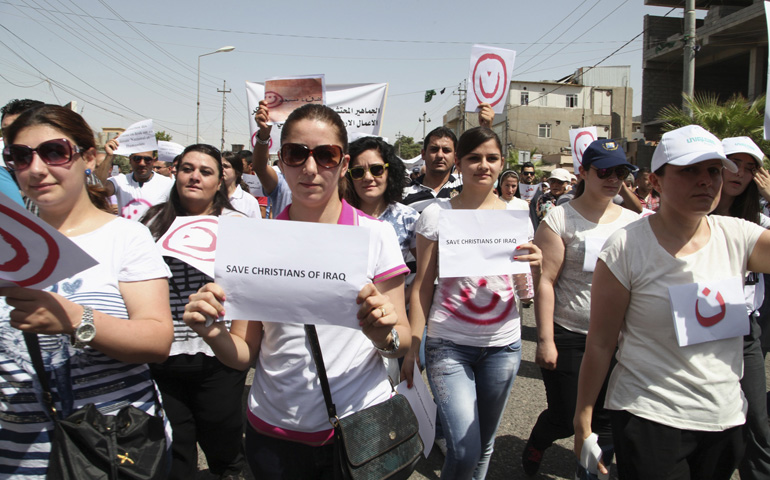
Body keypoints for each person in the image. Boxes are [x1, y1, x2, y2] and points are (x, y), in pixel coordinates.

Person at [183, 104, 411, 478]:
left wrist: (381, 334)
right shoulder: (256, 240)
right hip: (274, 435)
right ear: (281, 159)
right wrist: (209, 331)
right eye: (296, 154)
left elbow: (403, 338)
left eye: (325, 155)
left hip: (358, 427)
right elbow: (244, 353)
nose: (310, 168)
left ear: (343, 162)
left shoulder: (375, 235)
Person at [574, 125, 770, 480]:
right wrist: (583, 417)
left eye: (713, 170)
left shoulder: (738, 235)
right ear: (656, 181)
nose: (705, 181)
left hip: (725, 419)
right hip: (650, 416)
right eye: (689, 170)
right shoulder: (626, 247)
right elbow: (601, 343)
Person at [0, 104, 173, 478]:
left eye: (54, 152)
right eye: (19, 156)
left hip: (109, 451)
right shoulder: (6, 244)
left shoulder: (125, 237)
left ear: (87, 156)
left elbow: (157, 339)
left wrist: (76, 319)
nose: (37, 168)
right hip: (18, 456)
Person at [402, 127, 542, 479]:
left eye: (491, 158)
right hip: (448, 345)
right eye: (474, 158)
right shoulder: (437, 216)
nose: (483, 165)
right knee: (464, 449)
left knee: (484, 445)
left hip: (504, 347)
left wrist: (537, 266)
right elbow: (421, 286)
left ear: (502, 163)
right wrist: (413, 345)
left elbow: (525, 289)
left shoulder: (518, 214)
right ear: (459, 164)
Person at [522, 140, 639, 477]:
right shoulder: (560, 218)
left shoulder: (634, 222)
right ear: (583, 173)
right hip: (570, 334)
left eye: (621, 171)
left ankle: (588, 472)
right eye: (604, 171)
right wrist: (545, 339)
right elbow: (546, 281)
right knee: (566, 415)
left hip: (619, 339)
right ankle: (537, 443)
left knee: (606, 418)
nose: (613, 178)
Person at [141, 144, 247, 480]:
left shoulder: (238, 226)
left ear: (220, 181)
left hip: (219, 355)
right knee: (177, 452)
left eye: (206, 171)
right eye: (187, 168)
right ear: (175, 173)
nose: (195, 177)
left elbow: (249, 290)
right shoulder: (151, 221)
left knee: (225, 450)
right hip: (165, 357)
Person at [713, 136, 770, 480]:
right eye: (734, 163)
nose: (741, 173)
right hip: (694, 328)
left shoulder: (757, 222)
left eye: (750, 168)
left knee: (757, 423)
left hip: (745, 330)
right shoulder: (691, 214)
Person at [344, 136, 418, 262]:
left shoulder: (408, 218)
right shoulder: (336, 217)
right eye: (358, 172)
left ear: (390, 172)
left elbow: (427, 271)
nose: (367, 177)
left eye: (376, 169)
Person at [103, 140, 175, 220]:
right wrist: (109, 156)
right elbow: (100, 188)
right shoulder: (120, 181)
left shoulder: (167, 183)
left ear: (153, 161)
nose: (142, 163)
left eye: (147, 159)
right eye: (137, 158)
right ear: (130, 160)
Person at [401, 126, 462, 213]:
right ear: (423, 154)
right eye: (434, 149)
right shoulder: (405, 193)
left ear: (455, 157)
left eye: (446, 150)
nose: (440, 155)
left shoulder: (463, 188)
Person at [222, 151, 261, 219]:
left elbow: (256, 227)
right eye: (220, 166)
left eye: (226, 166)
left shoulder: (250, 201)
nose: (222, 170)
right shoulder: (210, 198)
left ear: (237, 171)